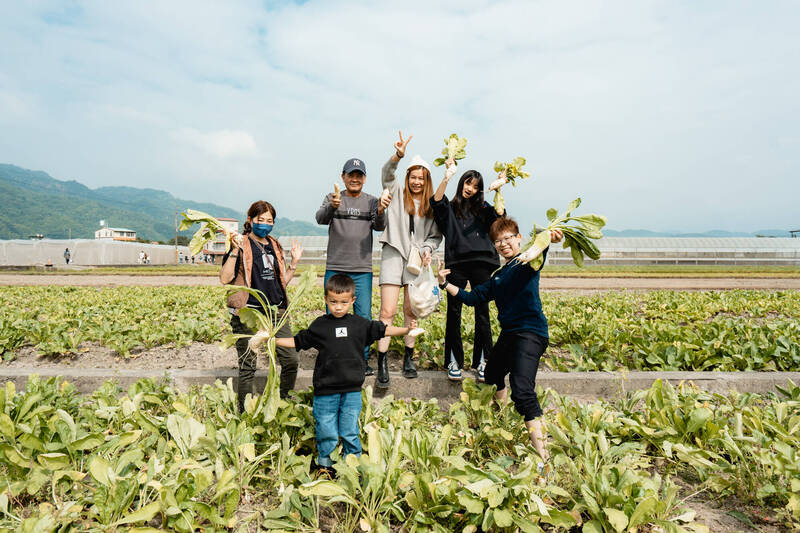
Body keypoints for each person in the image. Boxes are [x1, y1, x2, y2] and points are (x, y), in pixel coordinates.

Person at [436, 217, 562, 463]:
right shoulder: (498, 276)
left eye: (507, 239)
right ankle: (504, 417)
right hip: (510, 334)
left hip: (531, 333)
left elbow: (543, 246)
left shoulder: (528, 261)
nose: (503, 244)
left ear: (519, 239)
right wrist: (444, 283)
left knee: (522, 391)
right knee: (492, 374)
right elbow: (471, 298)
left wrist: (552, 238)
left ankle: (544, 459)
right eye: (498, 241)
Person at [271, 274, 423, 475]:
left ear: (352, 300)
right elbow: (298, 341)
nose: (338, 307)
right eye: (333, 302)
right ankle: (326, 465)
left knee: (349, 430)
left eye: (343, 302)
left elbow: (383, 330)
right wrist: (272, 340)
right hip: (325, 391)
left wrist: (406, 330)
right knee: (326, 429)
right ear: (326, 299)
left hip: (352, 390)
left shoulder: (360, 324)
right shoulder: (320, 325)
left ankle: (352, 466)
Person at [219, 200, 303, 412]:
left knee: (290, 360)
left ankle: (284, 403)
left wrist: (294, 263)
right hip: (249, 313)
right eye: (261, 219)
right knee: (248, 365)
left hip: (276, 312)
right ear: (250, 220)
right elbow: (225, 278)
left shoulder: (274, 245)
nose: (265, 224)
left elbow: (280, 283)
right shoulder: (241, 243)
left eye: (269, 220)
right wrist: (235, 250)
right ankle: (244, 413)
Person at [376, 131, 442, 388]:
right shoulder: (395, 191)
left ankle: (408, 358)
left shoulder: (431, 205)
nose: (416, 182)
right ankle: (382, 360)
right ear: (407, 178)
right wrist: (398, 155)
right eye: (413, 177)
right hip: (394, 253)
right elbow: (386, 173)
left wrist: (427, 248)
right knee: (387, 311)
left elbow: (436, 236)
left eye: (421, 178)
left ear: (427, 180)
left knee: (410, 310)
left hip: (417, 260)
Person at [430, 161, 505, 382]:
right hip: (457, 263)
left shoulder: (484, 209)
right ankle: (454, 361)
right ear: (461, 182)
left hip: (482, 263)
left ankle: (483, 361)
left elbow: (500, 217)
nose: (470, 188)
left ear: (479, 190)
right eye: (467, 183)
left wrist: (499, 188)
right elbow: (436, 201)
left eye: (475, 186)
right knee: (454, 311)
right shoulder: (450, 207)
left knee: (482, 312)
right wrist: (447, 176)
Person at [315, 157, 391, 375]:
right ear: (343, 177)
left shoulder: (372, 201)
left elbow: (380, 226)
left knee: (363, 317)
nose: (355, 179)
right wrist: (332, 206)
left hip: (361, 269)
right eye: (351, 175)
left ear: (364, 179)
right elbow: (320, 218)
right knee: (334, 315)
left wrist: (381, 210)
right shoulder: (333, 197)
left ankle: (361, 360)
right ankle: (334, 358)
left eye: (359, 175)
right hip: (335, 266)